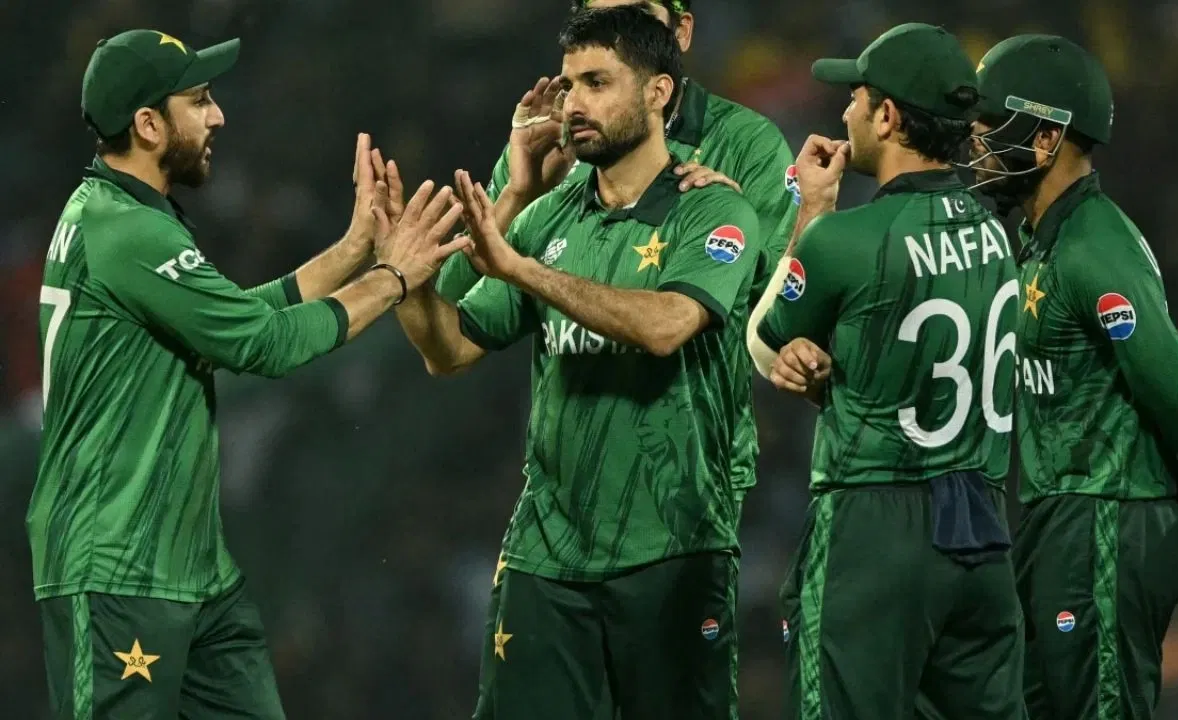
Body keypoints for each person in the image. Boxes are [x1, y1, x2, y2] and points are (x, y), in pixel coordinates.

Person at [29, 29, 466, 719]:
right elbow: (264, 345)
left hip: (191, 568)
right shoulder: (128, 231)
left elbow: (235, 319)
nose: (218, 116)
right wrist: (393, 278)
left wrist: (355, 249)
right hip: (118, 567)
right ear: (148, 124)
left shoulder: (120, 215)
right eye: (199, 100)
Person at [394, 6, 758, 717]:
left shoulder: (712, 211)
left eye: (597, 82)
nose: (574, 104)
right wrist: (404, 282)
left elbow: (667, 325)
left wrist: (524, 272)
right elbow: (451, 350)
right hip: (547, 555)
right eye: (568, 85)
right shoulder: (547, 218)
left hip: (673, 547)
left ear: (657, 92)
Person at [966, 34, 1178, 718]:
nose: (977, 140)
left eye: (994, 123)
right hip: (1062, 518)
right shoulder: (1042, 242)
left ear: (1046, 138)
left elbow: (1174, 388)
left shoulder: (1094, 246)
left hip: (1105, 519)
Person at [746, 23, 1026, 719]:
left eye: (856, 97)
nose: (845, 111)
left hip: (875, 524)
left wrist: (813, 209)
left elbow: (766, 341)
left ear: (888, 116)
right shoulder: (997, 232)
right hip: (984, 525)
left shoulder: (846, 239)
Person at [435, 0, 797, 529]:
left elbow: (771, 310)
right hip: (564, 481)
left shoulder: (746, 145)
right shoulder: (561, 138)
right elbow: (448, 304)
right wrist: (517, 194)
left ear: (680, 33)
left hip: (686, 480)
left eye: (636, 14)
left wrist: (720, 222)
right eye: (597, 14)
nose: (613, 28)